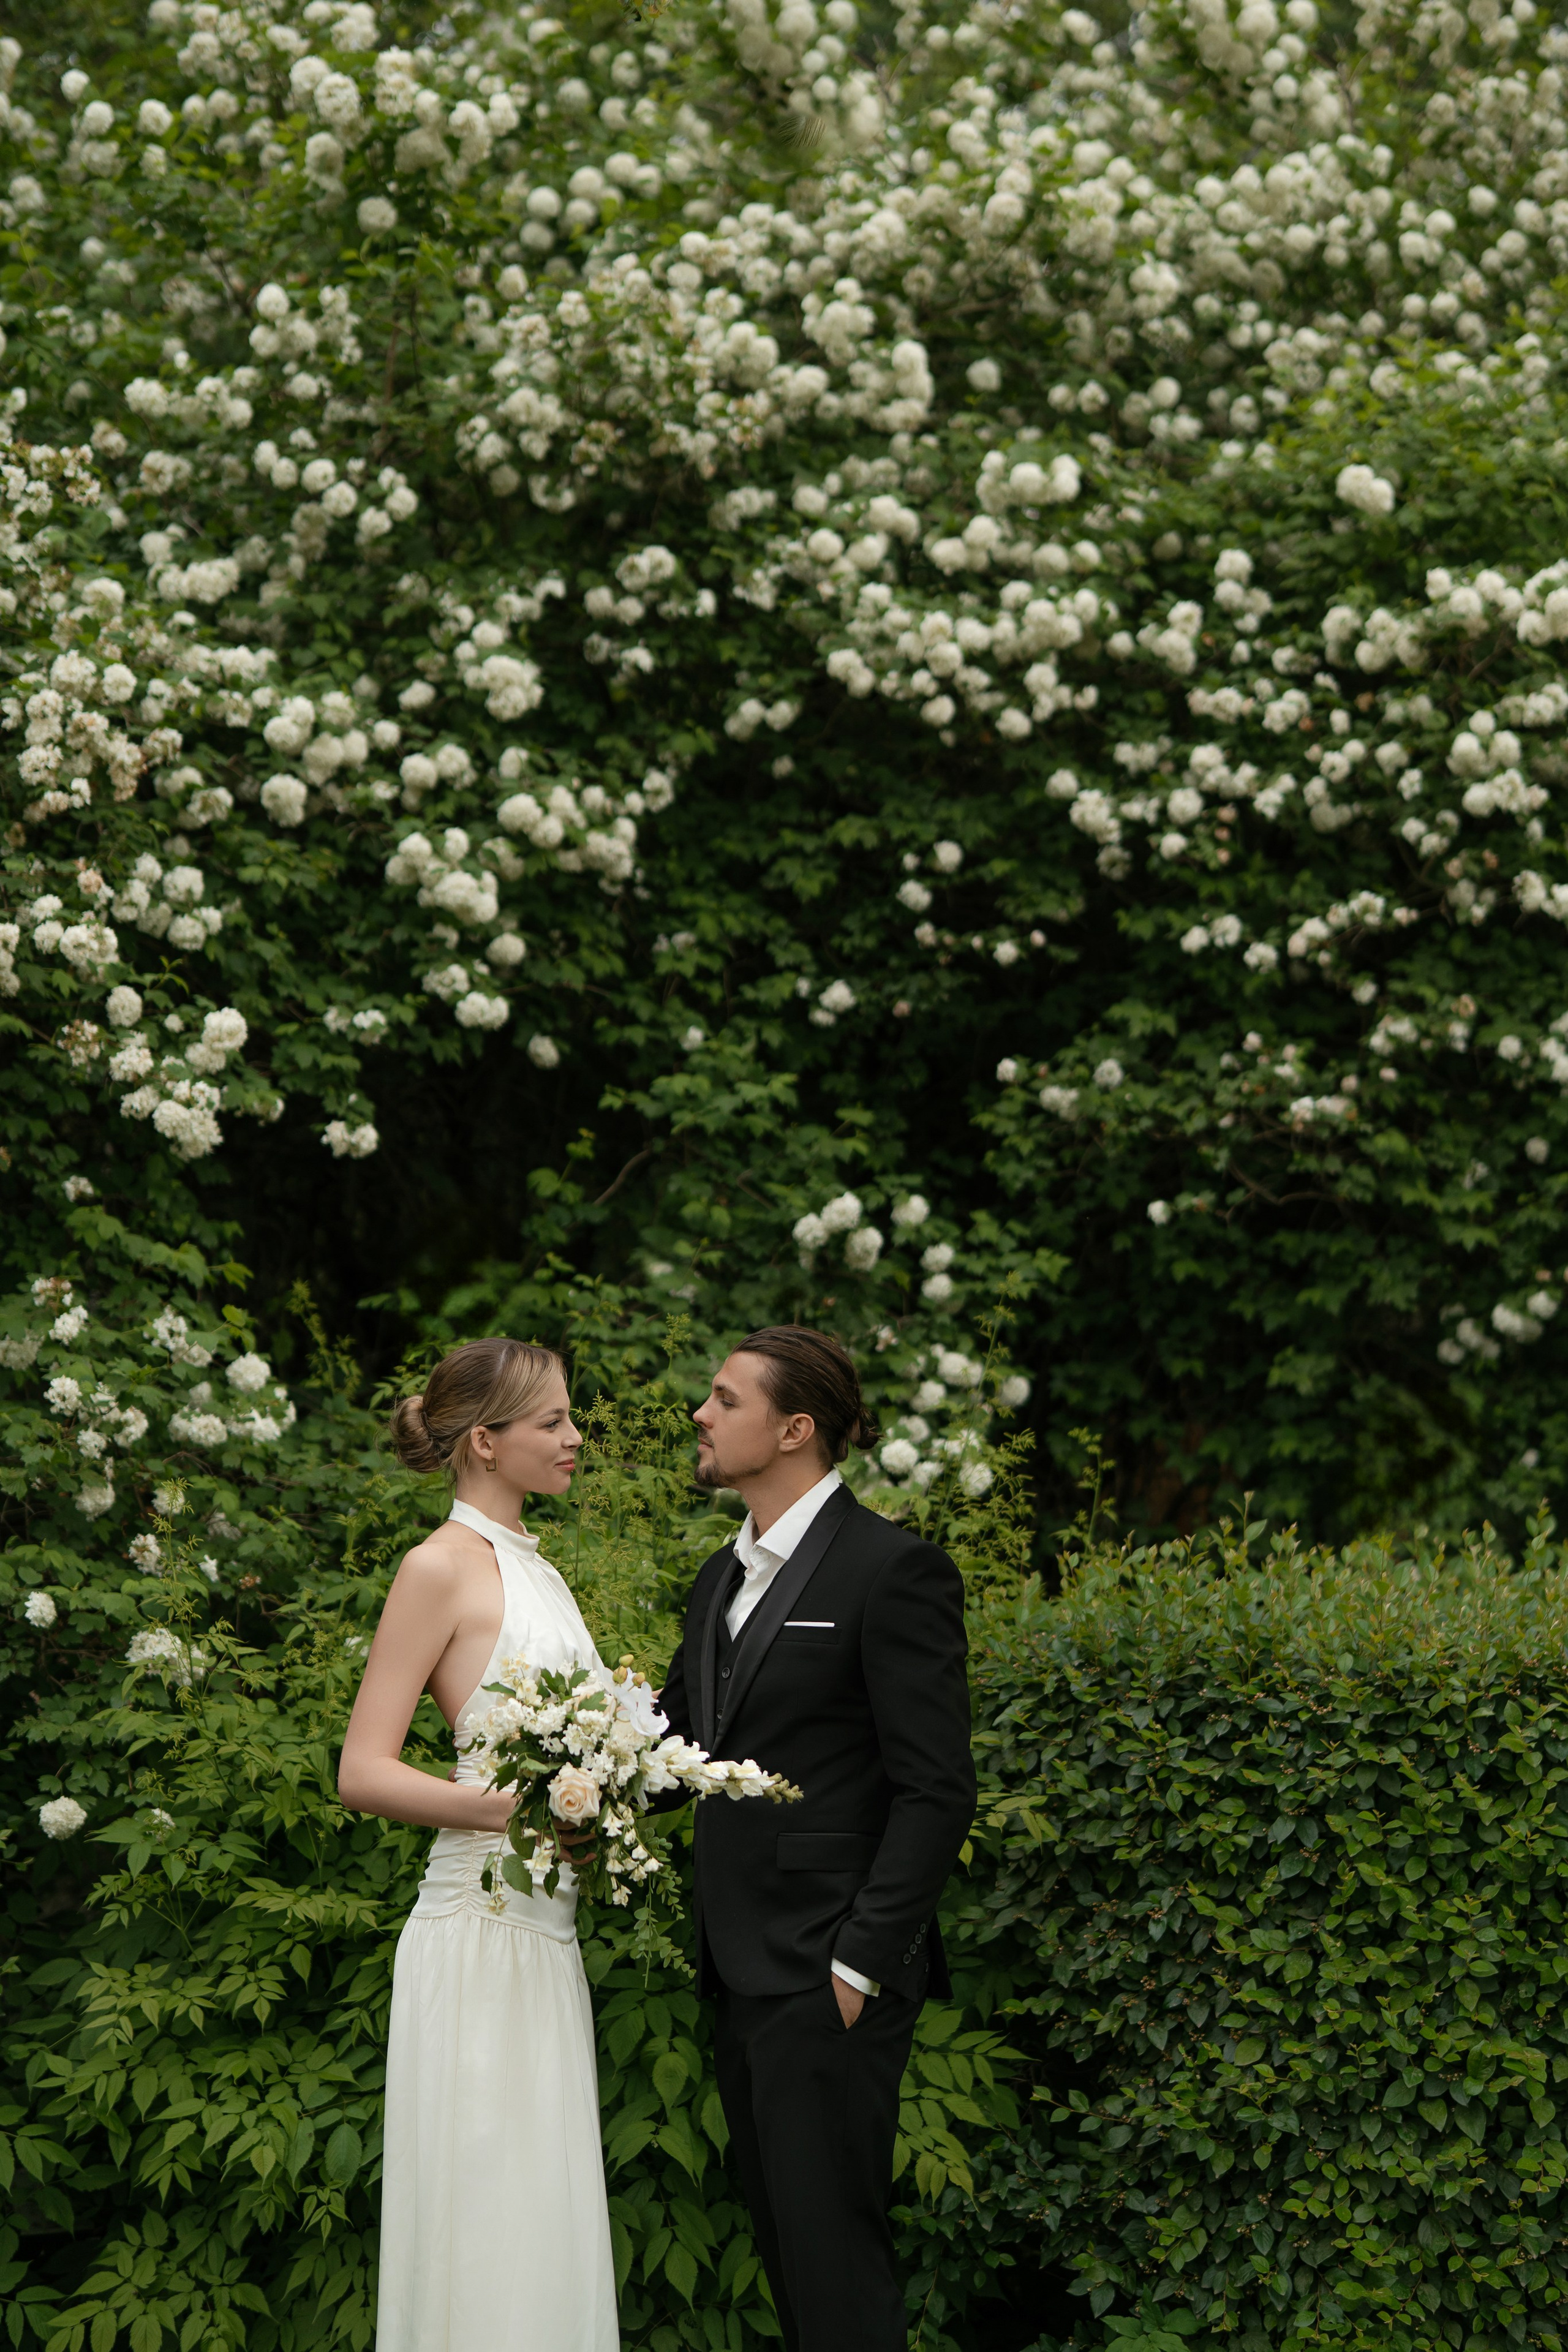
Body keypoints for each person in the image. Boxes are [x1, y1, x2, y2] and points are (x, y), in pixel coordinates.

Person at [657, 1327, 976, 2352]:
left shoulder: (896, 1570)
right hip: (739, 1963)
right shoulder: (720, 1577)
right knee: (793, 2263)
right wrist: (568, 1780)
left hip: (827, 1972)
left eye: (723, 1398)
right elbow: (679, 1750)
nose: (701, 1415)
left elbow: (937, 1791)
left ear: (794, 1429)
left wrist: (857, 1965)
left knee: (838, 2267)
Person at [339, 1336, 618, 2352]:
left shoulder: (541, 1573)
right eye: (553, 1423)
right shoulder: (438, 1567)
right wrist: (510, 1808)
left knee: (542, 2229)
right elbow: (362, 1769)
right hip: (478, 1932)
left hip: (549, 1936)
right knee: (485, 2231)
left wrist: (594, 1824)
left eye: (570, 1418)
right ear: (487, 1443)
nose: (575, 1438)